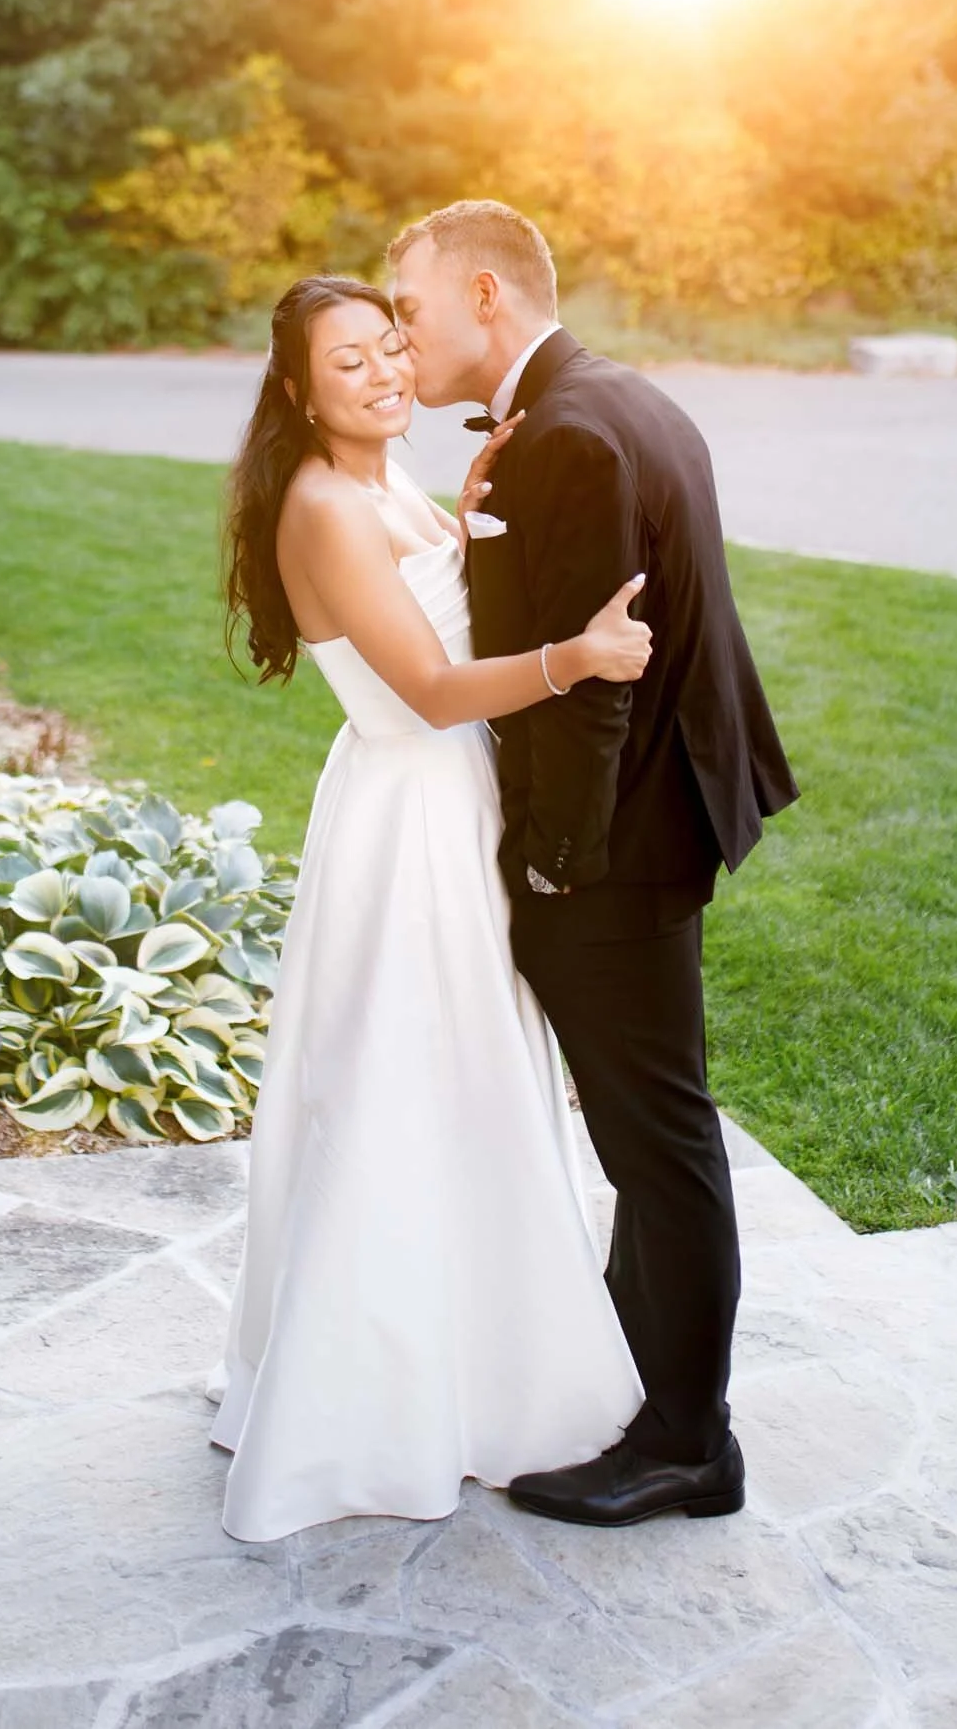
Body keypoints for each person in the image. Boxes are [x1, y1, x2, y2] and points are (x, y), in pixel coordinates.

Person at [209, 273, 653, 1543]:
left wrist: (461, 521)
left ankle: (471, 1366)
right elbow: (433, 686)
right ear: (299, 391)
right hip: (407, 818)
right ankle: (381, 1401)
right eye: (347, 362)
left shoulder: (383, 483)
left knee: (465, 1080)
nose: (384, 372)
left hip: (436, 805)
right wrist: (576, 658)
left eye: (392, 346)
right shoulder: (324, 505)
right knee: (404, 1084)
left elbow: (428, 594)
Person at [389, 201, 799, 1529]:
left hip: (616, 845)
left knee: (657, 1139)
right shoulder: (613, 401)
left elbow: (587, 695)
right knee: (651, 1128)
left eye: (412, 307)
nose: (402, 333)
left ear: (488, 296)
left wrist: (555, 866)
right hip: (662, 814)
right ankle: (639, 1375)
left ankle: (689, 1441)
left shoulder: (566, 434)